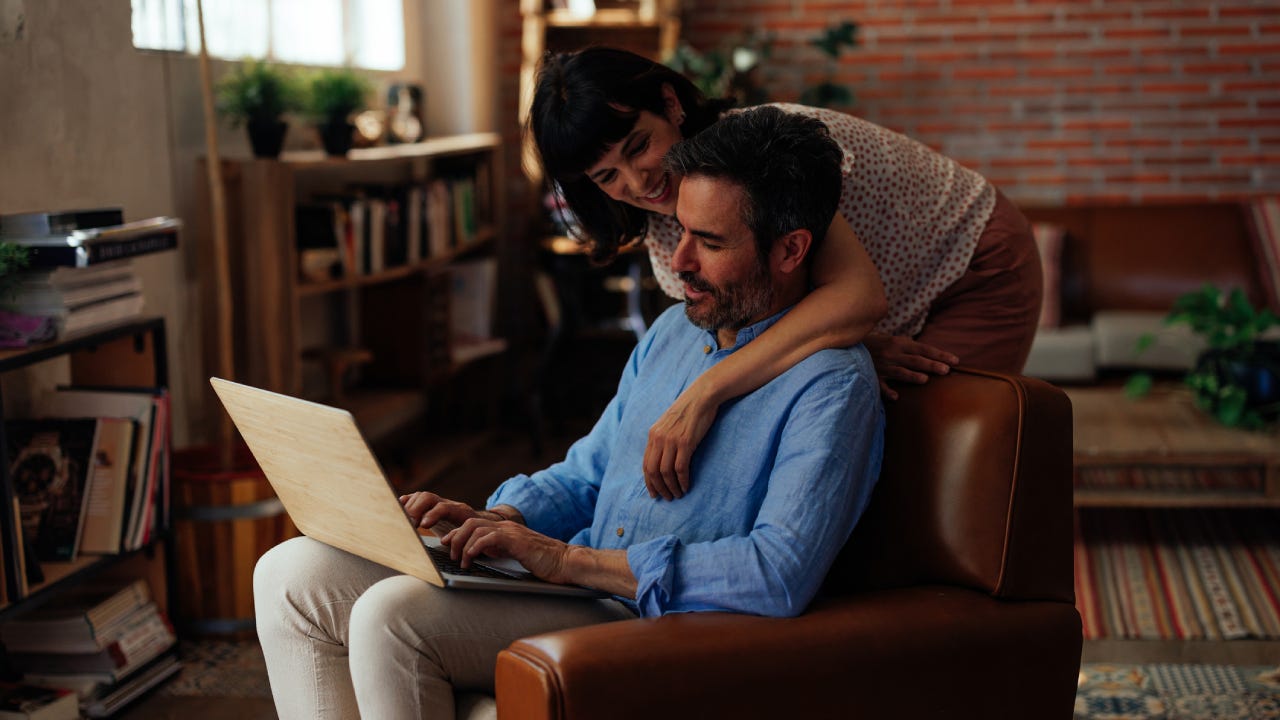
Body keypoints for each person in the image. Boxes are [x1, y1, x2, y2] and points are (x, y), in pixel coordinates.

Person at [253, 106, 885, 720]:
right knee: (293, 570)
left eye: (710, 242)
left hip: (650, 616)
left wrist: (566, 561)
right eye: (683, 231)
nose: (681, 260)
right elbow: (588, 474)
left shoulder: (832, 386)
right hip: (574, 586)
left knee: (393, 616)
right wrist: (496, 517)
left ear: (791, 251)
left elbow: (778, 573)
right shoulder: (670, 334)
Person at [529, 46, 1041, 500]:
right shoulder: (662, 222)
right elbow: (766, 327)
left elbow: (855, 302)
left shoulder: (762, 154)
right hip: (886, 295)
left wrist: (706, 392)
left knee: (919, 458)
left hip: (973, 262)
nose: (638, 180)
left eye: (639, 146)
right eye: (606, 176)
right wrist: (837, 340)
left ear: (670, 104)